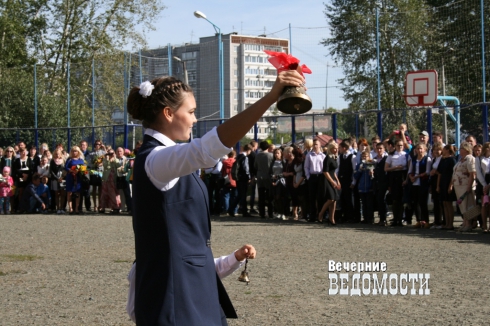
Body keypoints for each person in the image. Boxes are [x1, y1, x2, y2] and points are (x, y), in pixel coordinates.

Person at [127, 71, 302, 325]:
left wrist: (231, 260)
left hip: (194, 293)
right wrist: (270, 97)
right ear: (168, 113)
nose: (195, 119)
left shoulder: (167, 159)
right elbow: (206, 150)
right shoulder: (155, 159)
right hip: (174, 299)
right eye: (191, 111)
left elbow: (186, 251)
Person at [449, 142, 476, 232]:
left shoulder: (470, 158)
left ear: (466, 149)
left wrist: (469, 186)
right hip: (458, 185)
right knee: (462, 205)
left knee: (467, 204)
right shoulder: (461, 159)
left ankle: (468, 224)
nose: (460, 150)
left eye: (461, 148)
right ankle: (465, 222)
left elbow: (472, 173)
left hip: (465, 185)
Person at [407, 143, 432, 228]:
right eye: (418, 149)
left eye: (421, 148)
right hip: (414, 183)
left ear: (425, 149)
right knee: (415, 202)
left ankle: (426, 221)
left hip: (423, 183)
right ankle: (419, 220)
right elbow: (410, 170)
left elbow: (428, 172)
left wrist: (417, 176)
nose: (419, 150)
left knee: (423, 202)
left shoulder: (427, 159)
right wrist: (411, 177)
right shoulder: (413, 159)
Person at [385, 140, 409, 226]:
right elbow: (386, 168)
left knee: (402, 200)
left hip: (403, 176)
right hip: (394, 176)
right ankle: (395, 219)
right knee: (395, 199)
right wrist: (395, 167)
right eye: (398, 145)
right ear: (395, 145)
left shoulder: (406, 155)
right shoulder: (391, 155)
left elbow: (409, 168)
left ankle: (401, 218)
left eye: (401, 145)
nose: (400, 147)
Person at [318, 142, 340, 224]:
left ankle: (332, 218)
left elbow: (333, 171)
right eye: (335, 148)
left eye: (337, 148)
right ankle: (321, 214)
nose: (336, 150)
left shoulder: (334, 157)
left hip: (332, 178)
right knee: (331, 198)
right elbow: (325, 172)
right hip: (326, 180)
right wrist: (332, 182)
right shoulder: (327, 158)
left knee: (334, 199)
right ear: (330, 149)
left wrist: (337, 181)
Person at [304, 139, 325, 222]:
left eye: (317, 144)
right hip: (312, 177)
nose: (315, 146)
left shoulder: (323, 156)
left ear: (320, 145)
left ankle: (320, 215)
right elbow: (306, 167)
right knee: (312, 197)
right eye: (314, 144)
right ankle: (312, 216)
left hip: (320, 177)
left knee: (320, 197)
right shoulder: (309, 155)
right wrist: (308, 177)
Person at [437, 145, 457, 229]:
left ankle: (450, 224)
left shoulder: (452, 160)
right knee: (444, 203)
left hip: (449, 182)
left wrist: (451, 185)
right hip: (443, 182)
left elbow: (454, 173)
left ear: (448, 150)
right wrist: (438, 185)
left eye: (444, 149)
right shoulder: (443, 160)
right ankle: (446, 223)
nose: (442, 150)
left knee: (449, 203)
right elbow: (439, 173)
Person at [228, 144, 252, 217]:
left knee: (240, 194)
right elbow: (246, 168)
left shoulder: (238, 156)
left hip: (238, 177)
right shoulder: (245, 158)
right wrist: (249, 177)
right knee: (243, 195)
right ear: (249, 150)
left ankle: (231, 209)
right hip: (243, 178)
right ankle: (244, 211)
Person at [254, 141, 274, 219]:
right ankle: (270, 213)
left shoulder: (257, 156)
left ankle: (262, 213)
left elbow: (255, 166)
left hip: (260, 176)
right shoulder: (271, 156)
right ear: (268, 147)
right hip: (268, 177)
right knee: (269, 196)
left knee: (261, 196)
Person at [99, 147, 121, 214]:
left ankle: (115, 207)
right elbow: (105, 166)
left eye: (112, 153)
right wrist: (108, 159)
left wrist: (114, 158)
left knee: (113, 194)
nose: (111, 154)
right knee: (104, 193)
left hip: (113, 179)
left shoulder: (116, 159)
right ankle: (102, 207)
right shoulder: (106, 159)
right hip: (106, 178)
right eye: (109, 153)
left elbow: (118, 165)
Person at [65, 146, 85, 215]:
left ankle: (76, 208)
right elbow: (66, 167)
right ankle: (70, 208)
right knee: (69, 193)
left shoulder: (81, 160)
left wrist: (79, 170)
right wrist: (71, 170)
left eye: (76, 151)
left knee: (78, 193)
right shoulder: (69, 159)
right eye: (73, 151)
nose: (74, 152)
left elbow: (83, 168)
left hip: (78, 178)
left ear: (78, 152)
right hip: (70, 177)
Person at [373, 142, 389, 226]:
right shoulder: (374, 159)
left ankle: (384, 218)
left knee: (382, 199)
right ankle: (381, 218)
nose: (379, 150)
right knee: (378, 200)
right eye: (377, 148)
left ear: (384, 149)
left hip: (384, 182)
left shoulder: (386, 158)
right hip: (376, 182)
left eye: (380, 148)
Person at [429, 143, 444, 228]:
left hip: (440, 182)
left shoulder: (442, 159)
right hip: (433, 181)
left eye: (438, 149)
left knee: (440, 202)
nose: (436, 151)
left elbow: (441, 173)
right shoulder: (434, 159)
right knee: (435, 202)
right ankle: (436, 221)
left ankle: (441, 222)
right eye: (435, 150)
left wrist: (436, 172)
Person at [476, 142, 490, 232]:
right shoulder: (479, 158)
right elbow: (478, 172)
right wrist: (485, 185)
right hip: (483, 180)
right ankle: (484, 225)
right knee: (484, 205)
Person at [50, 149, 66, 214]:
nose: (57, 155)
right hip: (55, 179)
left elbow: (65, 169)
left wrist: (62, 177)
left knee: (62, 194)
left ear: (61, 154)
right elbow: (51, 171)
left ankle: (62, 208)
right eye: (56, 154)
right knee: (56, 194)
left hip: (63, 179)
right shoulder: (52, 161)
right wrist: (57, 178)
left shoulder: (64, 161)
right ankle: (58, 208)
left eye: (58, 154)